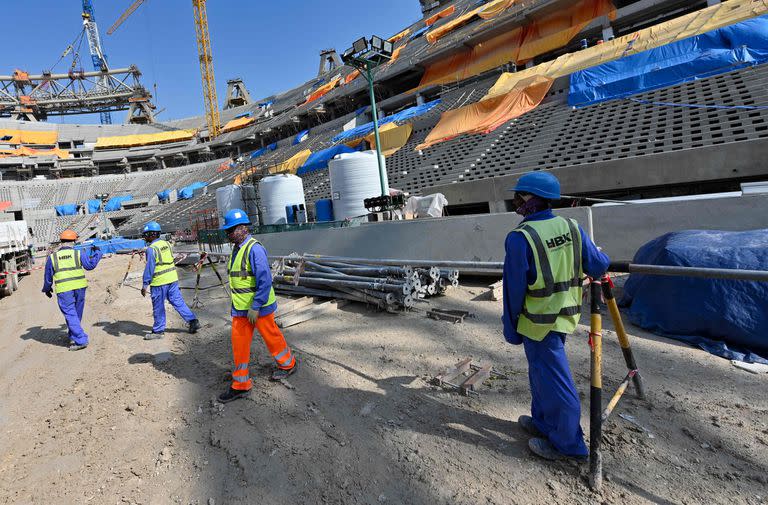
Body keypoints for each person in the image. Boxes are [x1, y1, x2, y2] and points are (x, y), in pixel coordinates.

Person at [502, 172, 610, 461]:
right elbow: (598, 265)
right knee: (540, 372)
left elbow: (513, 290)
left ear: (534, 200)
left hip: (537, 321)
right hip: (564, 315)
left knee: (554, 380)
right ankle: (542, 422)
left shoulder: (520, 238)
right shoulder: (571, 227)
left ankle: (569, 444)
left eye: (521, 196)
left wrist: (510, 328)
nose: (516, 201)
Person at [218, 209, 297, 403]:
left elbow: (265, 280)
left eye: (231, 230)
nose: (228, 233)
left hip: (258, 308)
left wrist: (256, 306)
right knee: (239, 345)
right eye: (227, 230)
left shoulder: (254, 249)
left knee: (272, 337)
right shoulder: (237, 249)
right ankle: (241, 384)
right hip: (241, 309)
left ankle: (288, 365)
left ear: (243, 228)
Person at [42, 230, 103, 351]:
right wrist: (98, 253)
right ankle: (73, 335)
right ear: (74, 241)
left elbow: (48, 275)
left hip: (64, 290)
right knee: (76, 313)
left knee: (70, 314)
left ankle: (80, 339)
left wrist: (47, 289)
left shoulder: (53, 257)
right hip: (80, 287)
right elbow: (90, 265)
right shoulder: (78, 253)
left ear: (61, 242)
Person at [141, 221, 200, 340]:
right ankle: (193, 321)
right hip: (172, 279)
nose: (145, 237)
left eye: (146, 234)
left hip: (159, 282)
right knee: (178, 301)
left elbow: (150, 268)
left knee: (158, 307)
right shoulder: (166, 244)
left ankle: (158, 331)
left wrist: (145, 284)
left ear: (152, 234)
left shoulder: (151, 249)